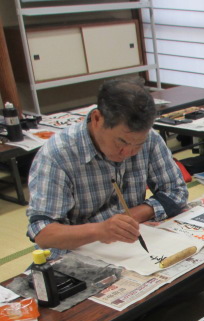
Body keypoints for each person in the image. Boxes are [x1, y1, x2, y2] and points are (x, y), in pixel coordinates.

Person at [26, 78, 188, 255]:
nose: (129, 152)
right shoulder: (58, 154)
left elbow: (176, 190)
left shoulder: (150, 139)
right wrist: (100, 230)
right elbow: (43, 233)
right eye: (121, 142)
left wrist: (130, 218)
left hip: (129, 247)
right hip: (77, 253)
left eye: (138, 144)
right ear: (97, 119)